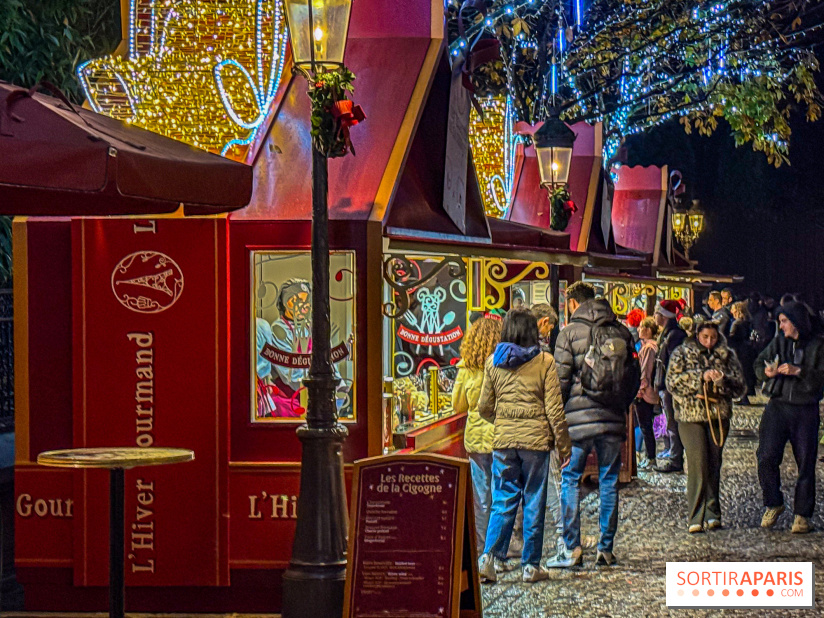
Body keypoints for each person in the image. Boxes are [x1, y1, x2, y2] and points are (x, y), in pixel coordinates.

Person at [547, 281, 639, 569]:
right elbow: (633, 377)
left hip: (576, 423)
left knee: (571, 478)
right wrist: (622, 406)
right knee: (609, 479)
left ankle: (572, 549)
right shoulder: (621, 330)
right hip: (612, 419)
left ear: (573, 303)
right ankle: (606, 548)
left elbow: (560, 382)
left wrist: (557, 420)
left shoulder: (568, 333)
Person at [477, 310, 572, 583]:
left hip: (504, 442)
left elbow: (484, 406)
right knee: (533, 500)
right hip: (536, 443)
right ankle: (531, 565)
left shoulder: (492, 363)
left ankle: (488, 559)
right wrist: (564, 446)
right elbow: (555, 410)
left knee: (503, 499)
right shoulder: (544, 362)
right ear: (533, 331)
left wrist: (503, 420)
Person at [666, 321, 745, 533]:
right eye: (705, 337)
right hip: (690, 415)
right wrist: (699, 377)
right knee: (697, 462)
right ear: (697, 336)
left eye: (712, 337)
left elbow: (740, 386)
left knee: (714, 462)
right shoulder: (682, 353)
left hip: (717, 415)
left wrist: (722, 381)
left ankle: (713, 512)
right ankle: (695, 515)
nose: (709, 342)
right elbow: (672, 382)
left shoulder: (726, 355)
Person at [755, 301, 824, 534]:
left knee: (805, 463)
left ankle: (802, 515)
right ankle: (773, 502)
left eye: (784, 321)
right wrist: (765, 372)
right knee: (765, 456)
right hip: (778, 406)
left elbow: (821, 379)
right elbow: (758, 363)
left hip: (805, 409)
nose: (781, 326)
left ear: (796, 322)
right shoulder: (779, 342)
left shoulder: (818, 345)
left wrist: (799, 371)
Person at [453, 317, 503, 553]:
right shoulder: (505, 366)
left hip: (476, 439)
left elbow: (458, 406)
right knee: (502, 495)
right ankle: (500, 547)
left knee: (481, 500)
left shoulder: (466, 368)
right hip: (502, 437)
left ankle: (482, 549)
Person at [653, 300, 687, 473]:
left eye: (656, 313)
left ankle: (676, 459)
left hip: (669, 386)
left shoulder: (674, 335)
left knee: (672, 423)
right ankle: (675, 456)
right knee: (670, 422)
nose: (654, 316)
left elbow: (674, 363)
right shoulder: (668, 334)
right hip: (664, 385)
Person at [635, 317, 660, 469]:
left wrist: (640, 390)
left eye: (641, 327)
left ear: (648, 330)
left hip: (646, 393)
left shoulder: (649, 348)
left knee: (645, 426)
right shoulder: (649, 346)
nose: (638, 329)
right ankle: (649, 456)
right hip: (647, 391)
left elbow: (645, 371)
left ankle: (651, 457)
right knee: (645, 425)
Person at [728, 301, 756, 405]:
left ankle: (743, 397)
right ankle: (744, 396)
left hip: (738, 350)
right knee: (745, 373)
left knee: (740, 372)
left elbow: (732, 336)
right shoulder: (748, 321)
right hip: (747, 349)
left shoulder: (737, 323)